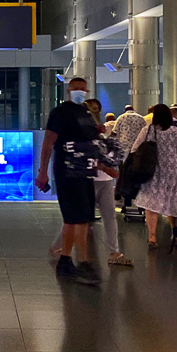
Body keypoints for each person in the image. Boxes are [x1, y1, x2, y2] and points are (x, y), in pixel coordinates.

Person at [49, 99, 133, 268]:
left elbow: (104, 150)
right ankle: (66, 250)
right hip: (88, 178)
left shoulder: (103, 128)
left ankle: (113, 251)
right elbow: (87, 153)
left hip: (103, 179)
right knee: (78, 218)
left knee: (106, 216)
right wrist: (105, 167)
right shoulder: (82, 129)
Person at [36, 77, 101, 285]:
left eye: (83, 90)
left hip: (85, 171)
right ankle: (80, 261)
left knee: (79, 218)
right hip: (67, 171)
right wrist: (43, 171)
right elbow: (48, 142)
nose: (80, 93)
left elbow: (92, 142)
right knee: (77, 218)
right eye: (76, 90)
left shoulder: (86, 113)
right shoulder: (60, 113)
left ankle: (69, 260)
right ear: (68, 91)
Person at [128, 103, 177, 249]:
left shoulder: (147, 130)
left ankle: (152, 237)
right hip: (173, 173)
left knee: (151, 205)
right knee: (174, 204)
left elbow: (134, 149)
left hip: (152, 172)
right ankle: (176, 234)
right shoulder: (175, 132)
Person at [112, 104, 147, 209]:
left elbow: (114, 133)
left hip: (124, 149)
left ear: (125, 110)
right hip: (138, 150)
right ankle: (137, 198)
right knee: (136, 173)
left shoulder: (121, 117)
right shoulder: (141, 118)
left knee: (124, 173)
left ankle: (124, 196)